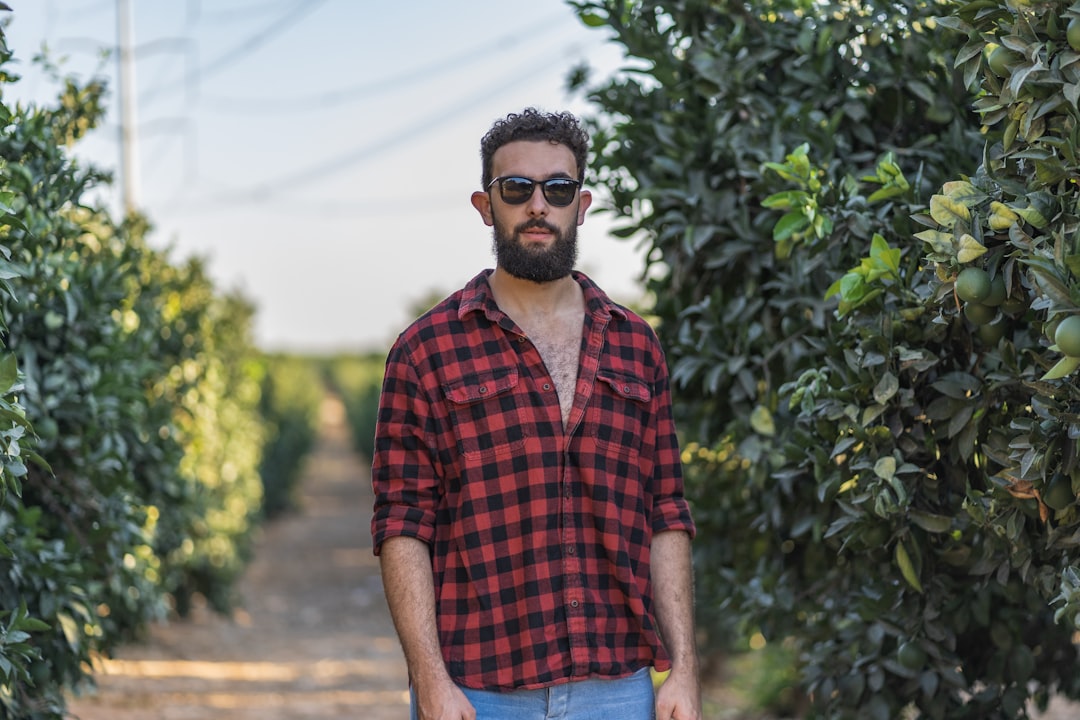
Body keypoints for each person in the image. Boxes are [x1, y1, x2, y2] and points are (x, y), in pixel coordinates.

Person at [371, 107, 701, 720]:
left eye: (558, 188)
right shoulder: (425, 351)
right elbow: (403, 524)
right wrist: (430, 680)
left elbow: (665, 512)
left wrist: (684, 667)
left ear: (583, 202)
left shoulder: (636, 344)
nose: (538, 206)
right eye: (517, 189)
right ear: (484, 204)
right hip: (478, 691)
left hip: (618, 689)